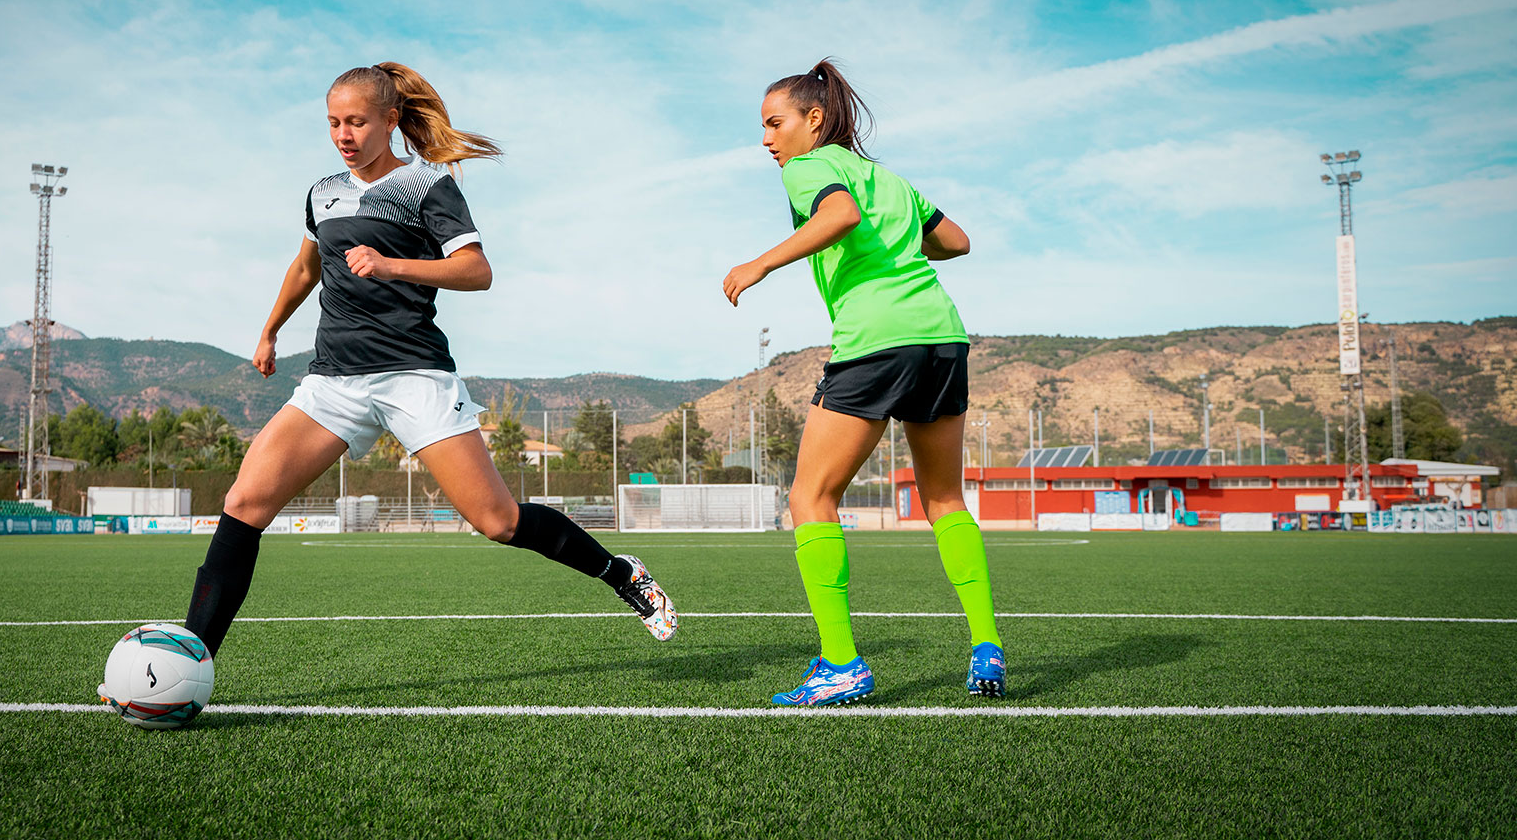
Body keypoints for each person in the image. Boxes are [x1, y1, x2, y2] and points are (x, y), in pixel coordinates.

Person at [170, 62, 676, 668]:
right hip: (332, 380)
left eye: (356, 121)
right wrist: (269, 330)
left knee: (497, 520)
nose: (343, 134)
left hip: (415, 376)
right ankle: (189, 662)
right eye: (333, 122)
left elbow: (477, 271)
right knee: (244, 504)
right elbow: (305, 268)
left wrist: (391, 264)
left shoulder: (428, 184)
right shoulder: (322, 192)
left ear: (390, 120)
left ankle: (619, 572)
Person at [722, 59, 1002, 706]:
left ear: (813, 120)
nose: (767, 139)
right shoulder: (888, 178)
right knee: (944, 500)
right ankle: (986, 643)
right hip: (942, 336)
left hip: (878, 339)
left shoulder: (809, 167)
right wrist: (899, 244)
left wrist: (760, 262)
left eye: (775, 123)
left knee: (810, 497)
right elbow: (955, 241)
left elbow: (841, 215)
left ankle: (842, 662)